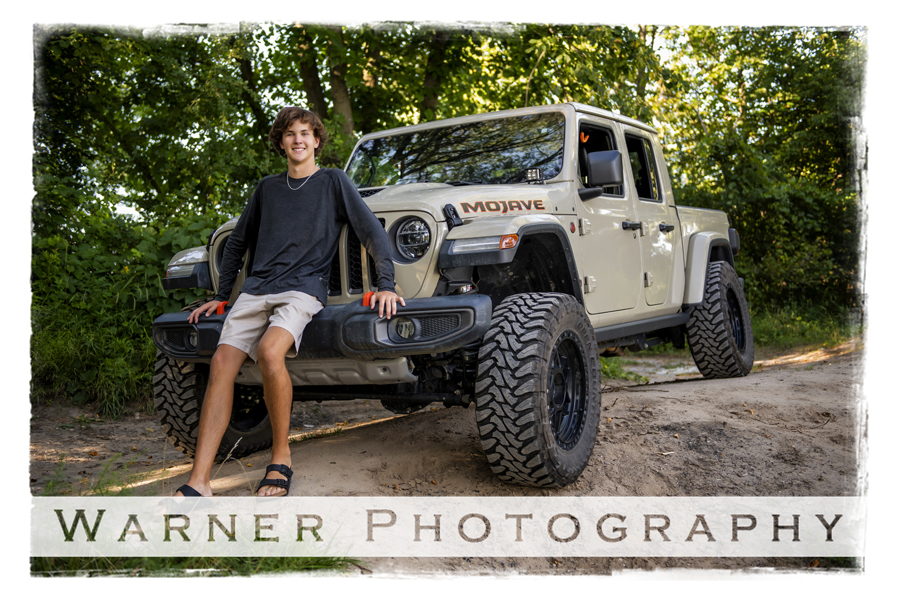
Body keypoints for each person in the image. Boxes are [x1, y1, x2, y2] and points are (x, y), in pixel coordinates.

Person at [174, 107, 404, 497]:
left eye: (305, 133)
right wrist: (219, 296)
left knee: (269, 352)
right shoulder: (267, 188)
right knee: (220, 362)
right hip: (256, 289)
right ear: (281, 142)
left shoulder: (333, 181)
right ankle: (199, 480)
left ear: (317, 141)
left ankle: (280, 459)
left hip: (302, 289)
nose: (298, 139)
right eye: (290, 133)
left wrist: (386, 283)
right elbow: (237, 244)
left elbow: (370, 230)